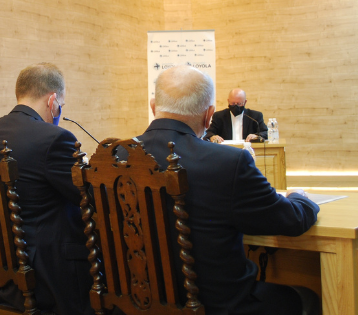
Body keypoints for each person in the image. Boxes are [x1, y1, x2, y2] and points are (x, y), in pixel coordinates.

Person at [135, 65, 320, 315]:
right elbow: (291, 221)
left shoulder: (116, 156)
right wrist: (301, 198)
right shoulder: (229, 162)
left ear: (153, 105)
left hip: (138, 302)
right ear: (209, 115)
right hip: (220, 306)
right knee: (307, 296)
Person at [0, 63, 93, 315]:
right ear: (53, 101)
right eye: (61, 106)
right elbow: (87, 197)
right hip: (47, 277)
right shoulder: (55, 138)